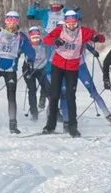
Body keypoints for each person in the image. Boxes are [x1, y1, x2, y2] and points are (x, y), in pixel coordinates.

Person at [39, 8, 100, 138]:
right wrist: (55, 41)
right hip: (58, 66)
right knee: (55, 95)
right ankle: (50, 125)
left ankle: (73, 127)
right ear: (65, 22)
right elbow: (46, 39)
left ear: (77, 22)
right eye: (69, 23)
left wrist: (96, 37)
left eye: (74, 23)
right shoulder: (60, 30)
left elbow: (99, 37)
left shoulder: (83, 31)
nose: (71, 25)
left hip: (72, 67)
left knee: (71, 97)